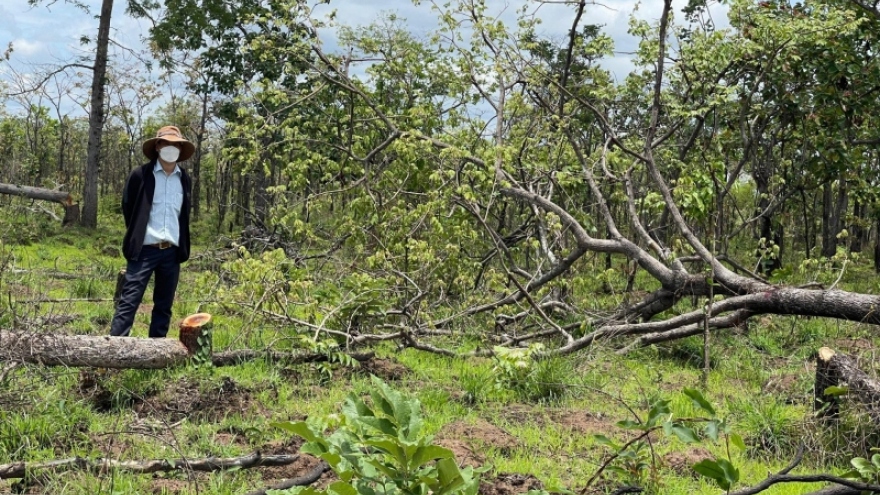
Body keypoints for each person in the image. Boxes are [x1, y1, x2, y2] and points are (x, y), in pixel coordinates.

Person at [109, 125, 194, 338]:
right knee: (129, 302)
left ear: (181, 149)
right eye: (166, 143)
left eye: (175, 145)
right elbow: (129, 206)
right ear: (157, 146)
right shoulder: (140, 175)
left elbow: (183, 214)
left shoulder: (184, 179)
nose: (171, 148)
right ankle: (113, 352)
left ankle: (157, 352)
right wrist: (138, 235)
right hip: (144, 250)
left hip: (171, 252)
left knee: (164, 306)